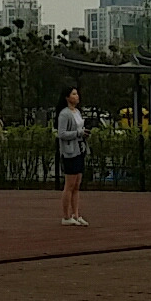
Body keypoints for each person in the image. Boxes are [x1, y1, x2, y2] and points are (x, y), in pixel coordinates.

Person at [57, 87, 88, 225]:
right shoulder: (64, 114)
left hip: (80, 149)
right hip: (70, 151)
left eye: (77, 94)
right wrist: (78, 133)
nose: (77, 96)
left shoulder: (77, 112)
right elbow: (62, 133)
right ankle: (66, 216)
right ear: (67, 97)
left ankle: (76, 214)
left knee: (77, 184)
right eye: (74, 94)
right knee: (69, 185)